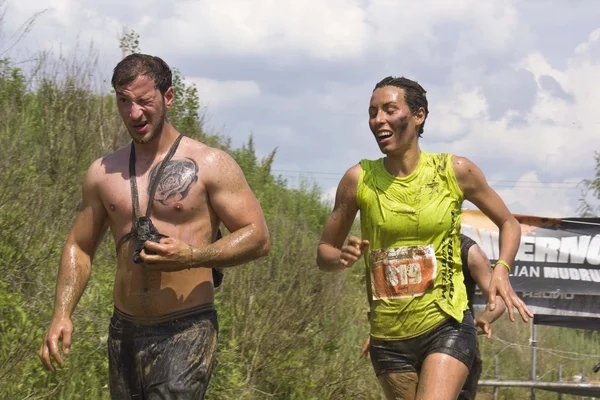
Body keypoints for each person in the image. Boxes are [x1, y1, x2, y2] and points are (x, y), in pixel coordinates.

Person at [38, 54, 270, 399]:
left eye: (144, 101)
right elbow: (79, 246)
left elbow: (258, 237)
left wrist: (193, 255)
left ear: (168, 97)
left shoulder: (210, 164)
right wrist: (61, 314)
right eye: (124, 102)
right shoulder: (102, 173)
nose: (134, 114)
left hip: (186, 327)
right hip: (124, 330)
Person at [317, 76, 532, 400]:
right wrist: (341, 257)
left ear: (418, 116)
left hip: (446, 325)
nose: (379, 120)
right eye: (373, 112)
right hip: (388, 338)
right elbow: (324, 253)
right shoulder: (357, 180)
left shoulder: (456, 171)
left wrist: (501, 268)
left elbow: (508, 222)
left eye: (390, 110)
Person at [360, 234, 506, 400]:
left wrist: (485, 317)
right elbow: (387, 297)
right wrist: (378, 330)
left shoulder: (467, 249)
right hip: (404, 346)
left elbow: (498, 299)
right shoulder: (403, 245)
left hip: (454, 345)